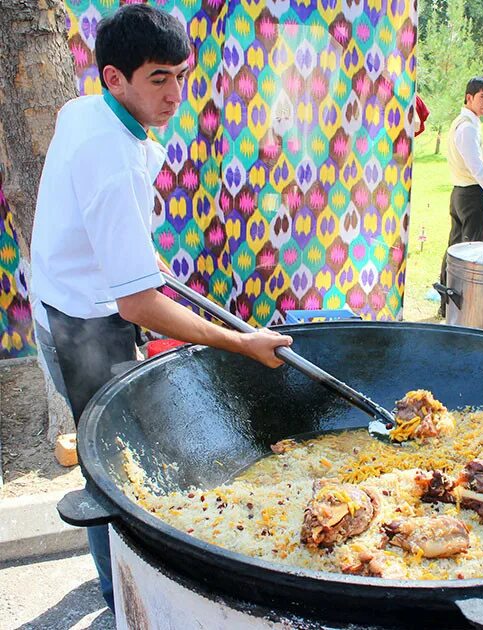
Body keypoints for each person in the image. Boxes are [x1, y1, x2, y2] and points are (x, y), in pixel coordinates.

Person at [30, 5, 292, 612]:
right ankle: (117, 593)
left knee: (114, 456)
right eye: (159, 78)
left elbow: (128, 266)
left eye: (181, 74)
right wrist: (241, 341)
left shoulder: (88, 110)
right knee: (114, 468)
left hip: (72, 298)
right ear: (115, 77)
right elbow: (140, 303)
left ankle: (110, 565)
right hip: (83, 324)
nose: (176, 93)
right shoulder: (110, 158)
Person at [437, 76, 483, 317]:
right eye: (482, 97)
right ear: (469, 97)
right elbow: (477, 167)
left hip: (462, 192)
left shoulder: (465, 123)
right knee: (470, 252)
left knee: (456, 248)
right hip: (470, 194)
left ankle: (447, 303)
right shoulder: (467, 127)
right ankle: (458, 305)